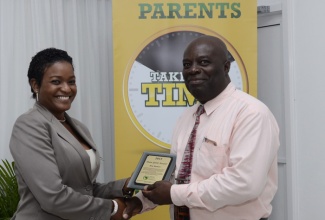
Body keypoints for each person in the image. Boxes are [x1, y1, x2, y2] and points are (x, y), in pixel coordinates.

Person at [123, 35, 280, 220]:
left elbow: (244, 183)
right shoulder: (186, 117)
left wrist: (174, 194)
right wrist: (141, 201)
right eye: (187, 64)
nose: (193, 70)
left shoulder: (251, 114)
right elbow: (177, 176)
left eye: (204, 62)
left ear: (226, 67)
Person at [9, 48, 133, 220]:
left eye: (71, 81)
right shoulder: (29, 125)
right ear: (35, 85)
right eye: (56, 81)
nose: (66, 89)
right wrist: (111, 208)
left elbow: (85, 189)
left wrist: (124, 186)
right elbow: (53, 197)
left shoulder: (79, 128)